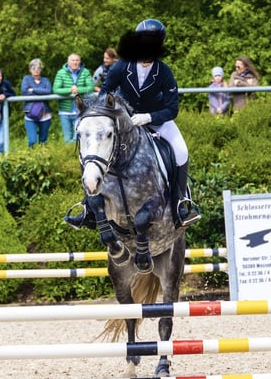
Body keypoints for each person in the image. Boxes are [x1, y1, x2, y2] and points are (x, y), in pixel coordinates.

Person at [65, 18, 201, 229]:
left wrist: (149, 117)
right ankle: (87, 208)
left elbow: (172, 108)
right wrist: (105, 115)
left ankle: (181, 204)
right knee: (94, 148)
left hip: (155, 120)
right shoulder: (122, 66)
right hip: (124, 123)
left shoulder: (164, 72)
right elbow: (105, 92)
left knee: (181, 151)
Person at [52, 53, 94, 143]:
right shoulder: (61, 72)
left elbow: (90, 88)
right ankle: (68, 154)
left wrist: (78, 90)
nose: (75, 62)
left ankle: (77, 155)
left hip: (81, 110)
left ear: (80, 61)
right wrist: (70, 90)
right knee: (67, 138)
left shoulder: (85, 72)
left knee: (79, 137)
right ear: (68, 61)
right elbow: (56, 89)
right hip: (65, 110)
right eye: (73, 60)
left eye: (77, 60)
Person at [21, 58, 53, 148]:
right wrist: (40, 92)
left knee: (43, 141)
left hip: (45, 114)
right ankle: (31, 159)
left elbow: (48, 91)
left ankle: (43, 160)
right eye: (33, 67)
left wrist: (33, 90)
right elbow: (24, 91)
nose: (36, 69)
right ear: (30, 69)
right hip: (30, 114)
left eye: (38, 67)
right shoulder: (26, 79)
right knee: (32, 141)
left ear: (41, 69)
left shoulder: (45, 80)